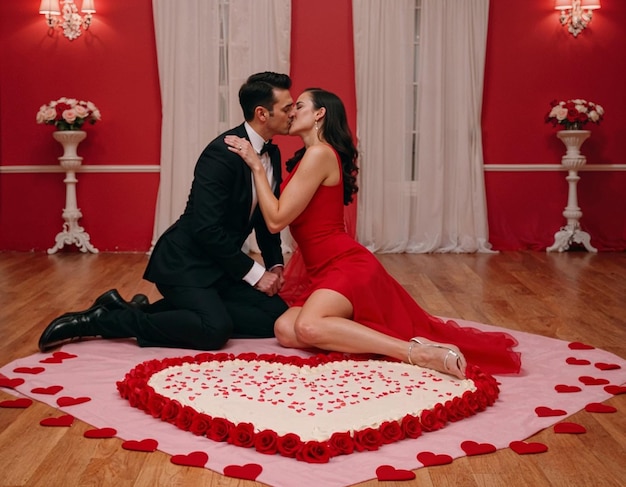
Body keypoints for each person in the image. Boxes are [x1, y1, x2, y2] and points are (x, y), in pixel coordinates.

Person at [225, 88, 521, 379]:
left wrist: (256, 167)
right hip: (322, 269)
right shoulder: (310, 156)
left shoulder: (319, 154)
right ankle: (359, 332)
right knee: (285, 329)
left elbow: (276, 220)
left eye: (299, 106)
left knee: (308, 327)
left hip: (346, 266)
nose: (291, 112)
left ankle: (416, 352)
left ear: (319, 114)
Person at [38, 72, 294, 352]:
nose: (292, 113)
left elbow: (265, 218)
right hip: (186, 265)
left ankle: (145, 310)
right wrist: (256, 274)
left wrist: (274, 265)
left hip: (222, 267)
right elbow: (205, 229)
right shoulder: (221, 153)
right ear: (262, 113)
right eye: (287, 108)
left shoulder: (273, 154)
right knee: (214, 331)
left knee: (274, 317)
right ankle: (104, 320)